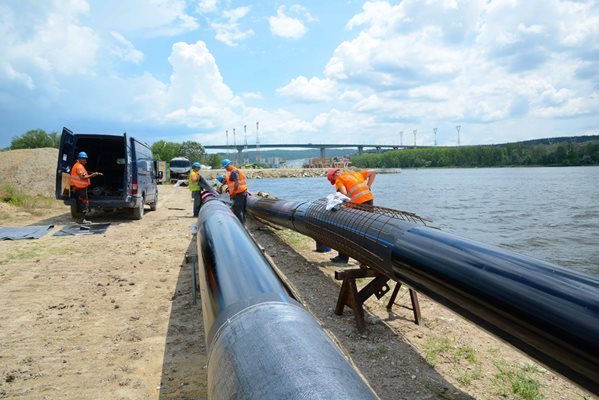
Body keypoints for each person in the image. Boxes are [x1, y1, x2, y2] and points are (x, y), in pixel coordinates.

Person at [327, 168, 376, 263]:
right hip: (369, 200)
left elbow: (344, 194)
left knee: (346, 230)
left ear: (334, 176)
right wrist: (368, 186)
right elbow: (373, 172)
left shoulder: (339, 179)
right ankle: (367, 259)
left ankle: (343, 257)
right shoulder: (355, 173)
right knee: (367, 229)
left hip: (357, 205)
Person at [70, 151, 102, 224]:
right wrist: (92, 175)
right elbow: (82, 177)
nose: (85, 161)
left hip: (77, 188)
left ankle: (79, 219)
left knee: (79, 203)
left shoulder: (76, 165)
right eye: (84, 159)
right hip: (80, 188)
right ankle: (82, 220)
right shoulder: (79, 166)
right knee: (84, 203)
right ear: (80, 159)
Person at [222, 159, 248, 224]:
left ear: (229, 165)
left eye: (226, 167)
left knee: (238, 210)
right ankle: (242, 225)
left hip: (239, 193)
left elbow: (237, 183)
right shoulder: (233, 172)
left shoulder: (234, 172)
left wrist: (233, 192)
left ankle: (241, 226)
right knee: (240, 210)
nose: (226, 169)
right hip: (241, 192)